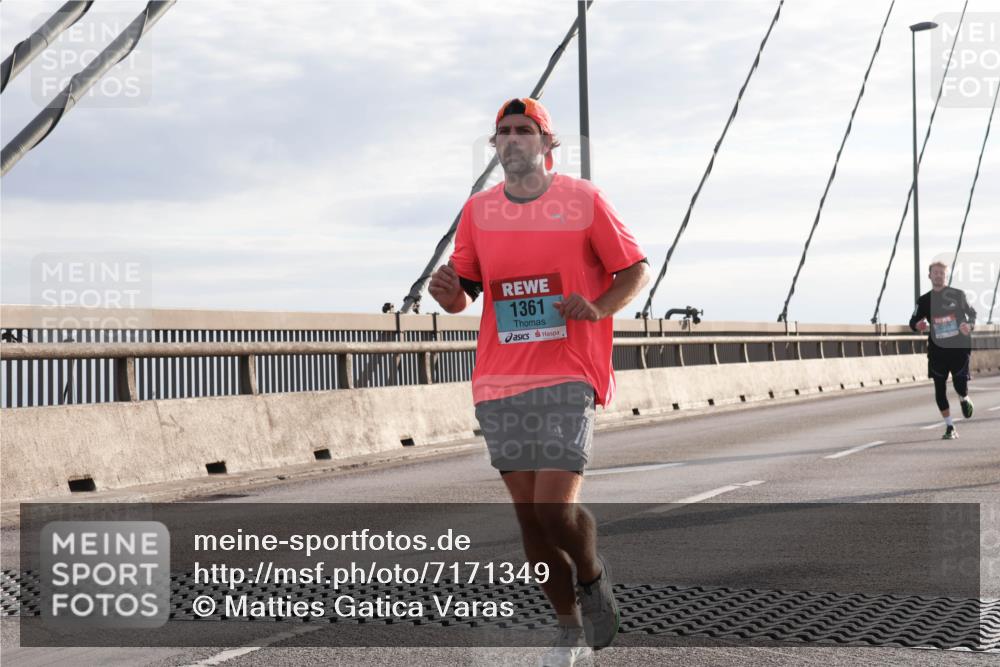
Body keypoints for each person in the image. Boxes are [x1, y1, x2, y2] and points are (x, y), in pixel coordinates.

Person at [429, 97, 650, 666]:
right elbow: (463, 297)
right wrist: (446, 291)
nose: (511, 140)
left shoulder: (582, 199)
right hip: (499, 380)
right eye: (502, 132)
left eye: (524, 130)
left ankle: (593, 576)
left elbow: (634, 270)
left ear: (548, 145)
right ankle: (568, 628)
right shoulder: (479, 211)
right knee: (530, 521)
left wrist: (599, 308)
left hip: (568, 372)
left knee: (555, 511)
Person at [909, 261, 977, 440]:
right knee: (939, 390)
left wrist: (969, 326)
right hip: (937, 352)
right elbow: (912, 322)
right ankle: (950, 427)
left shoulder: (957, 295)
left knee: (959, 385)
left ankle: (964, 397)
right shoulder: (924, 301)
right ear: (929, 275)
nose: (938, 275)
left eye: (942, 273)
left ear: (946, 276)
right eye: (935, 272)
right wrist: (918, 324)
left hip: (958, 349)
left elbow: (973, 314)